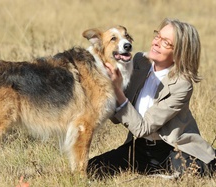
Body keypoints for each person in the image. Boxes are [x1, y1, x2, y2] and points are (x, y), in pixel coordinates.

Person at [87, 18, 216, 179]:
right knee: (92, 168)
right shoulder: (139, 62)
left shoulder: (182, 85)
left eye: (166, 42)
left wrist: (116, 90)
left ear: (179, 53)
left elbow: (143, 129)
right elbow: (115, 117)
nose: (156, 43)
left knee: (190, 174)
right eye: (157, 36)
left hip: (174, 149)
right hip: (140, 148)